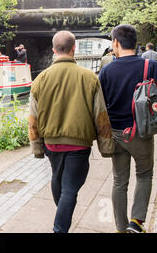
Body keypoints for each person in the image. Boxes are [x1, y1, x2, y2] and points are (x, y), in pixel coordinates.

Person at [29, 30, 114, 233]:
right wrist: (107, 147)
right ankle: (60, 229)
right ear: (74, 48)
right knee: (70, 189)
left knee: (58, 181)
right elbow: (101, 116)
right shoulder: (89, 78)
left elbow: (33, 119)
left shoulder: (40, 79)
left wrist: (37, 147)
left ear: (53, 50)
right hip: (79, 145)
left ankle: (62, 219)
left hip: (51, 144)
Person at [99, 24, 157, 233]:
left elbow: (99, 103)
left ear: (115, 43)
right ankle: (136, 223)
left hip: (115, 135)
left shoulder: (106, 71)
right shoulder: (149, 67)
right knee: (144, 175)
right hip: (140, 132)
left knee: (119, 181)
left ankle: (121, 228)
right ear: (135, 43)